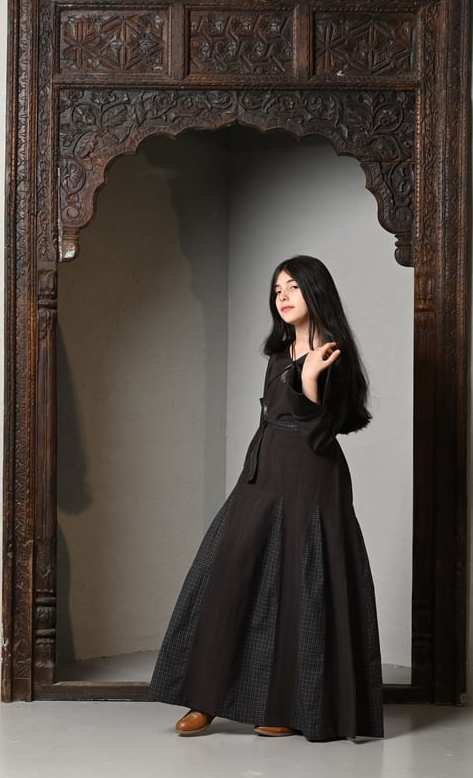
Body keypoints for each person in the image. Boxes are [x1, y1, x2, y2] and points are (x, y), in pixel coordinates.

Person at [148, 255, 384, 742]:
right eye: (278, 289)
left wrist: (311, 379)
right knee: (228, 576)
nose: (283, 296)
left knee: (302, 586)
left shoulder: (333, 353)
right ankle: (204, 700)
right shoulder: (279, 353)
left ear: (316, 291)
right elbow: (273, 419)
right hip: (264, 469)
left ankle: (286, 707)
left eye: (293, 286)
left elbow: (320, 434)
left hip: (312, 477)